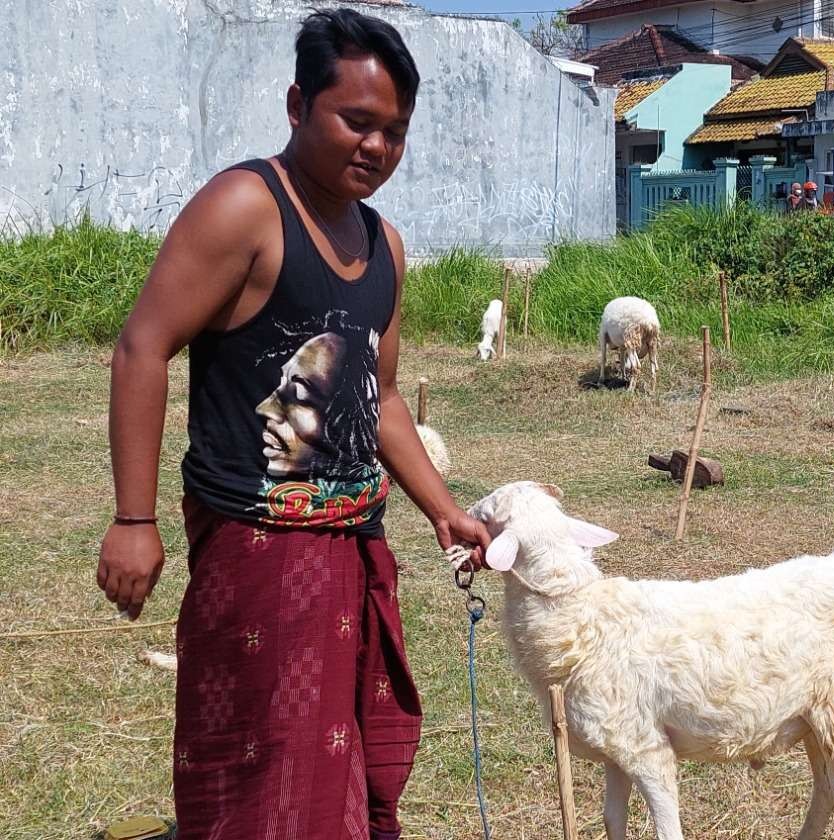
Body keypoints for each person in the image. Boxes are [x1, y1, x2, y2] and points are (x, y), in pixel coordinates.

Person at [95, 9, 490, 839]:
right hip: (256, 550)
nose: (376, 148)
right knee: (260, 767)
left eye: (395, 132)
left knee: (351, 762)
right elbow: (142, 347)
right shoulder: (247, 207)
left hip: (355, 545)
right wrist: (133, 520)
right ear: (297, 105)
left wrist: (443, 509)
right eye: (356, 121)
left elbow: (377, 400)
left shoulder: (386, 245)